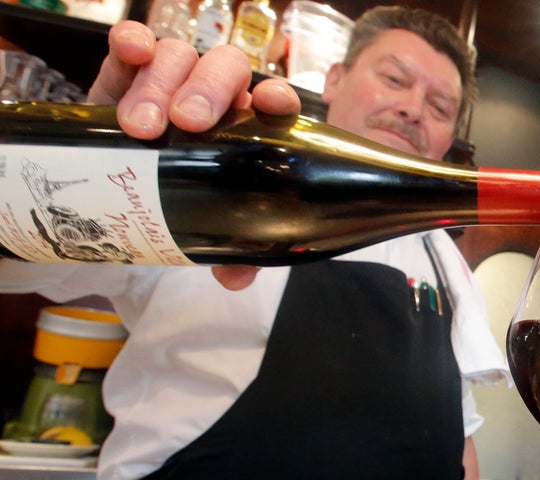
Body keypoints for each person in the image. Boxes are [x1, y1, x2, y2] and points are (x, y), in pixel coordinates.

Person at [0, 6, 508, 480]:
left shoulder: (444, 255)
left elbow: (459, 434)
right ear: (335, 78)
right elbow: (18, 270)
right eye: (394, 79)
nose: (413, 110)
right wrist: (78, 178)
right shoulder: (222, 183)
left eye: (440, 106)